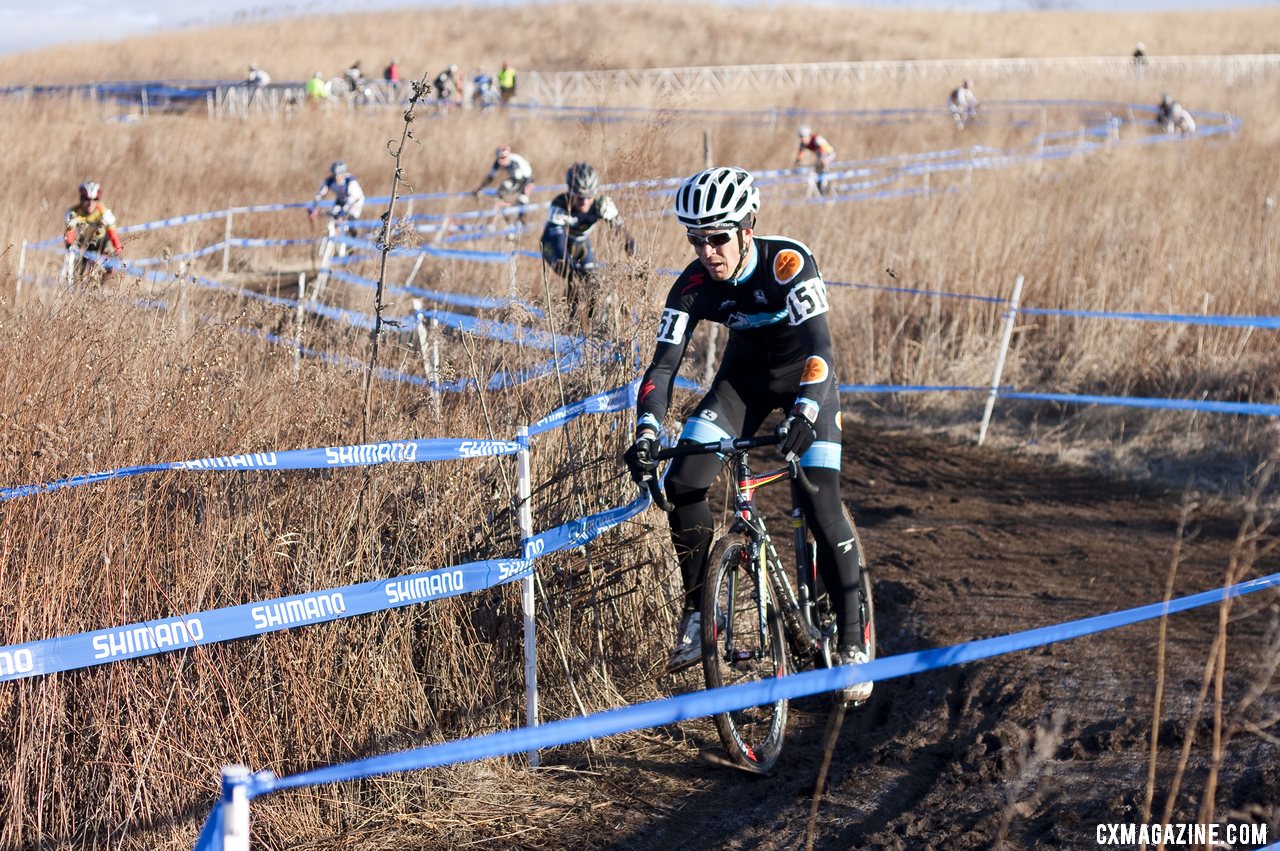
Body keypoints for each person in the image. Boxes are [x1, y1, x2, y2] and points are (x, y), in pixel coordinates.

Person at [622, 165, 872, 702]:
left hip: (807, 381)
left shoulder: (788, 263)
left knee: (818, 495)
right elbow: (662, 369)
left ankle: (852, 643)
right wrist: (646, 430)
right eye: (695, 238)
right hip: (742, 385)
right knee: (684, 480)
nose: (707, 251)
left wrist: (804, 413)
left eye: (717, 237)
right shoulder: (691, 286)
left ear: (746, 228)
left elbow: (821, 348)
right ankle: (696, 615)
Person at [540, 162, 635, 317]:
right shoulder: (560, 204)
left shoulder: (602, 204)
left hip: (580, 242)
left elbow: (624, 235)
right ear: (570, 191)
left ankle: (591, 321)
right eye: (579, 196)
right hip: (554, 244)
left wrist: (637, 260)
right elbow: (558, 244)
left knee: (594, 280)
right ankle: (567, 319)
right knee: (573, 276)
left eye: (589, 196)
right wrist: (572, 269)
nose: (584, 201)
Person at [64, 181, 123, 278]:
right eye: (86, 199)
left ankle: (102, 287)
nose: (90, 203)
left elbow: (113, 236)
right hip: (83, 243)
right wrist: (70, 247)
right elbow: (69, 235)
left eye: (94, 199)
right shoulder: (73, 213)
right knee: (78, 270)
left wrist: (118, 251)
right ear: (81, 199)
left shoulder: (104, 212)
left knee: (110, 268)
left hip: (101, 244)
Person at [473, 144, 534, 222]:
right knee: (503, 190)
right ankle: (507, 211)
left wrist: (516, 194)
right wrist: (480, 187)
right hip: (517, 179)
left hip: (526, 178)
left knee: (521, 197)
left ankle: (519, 217)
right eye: (498, 158)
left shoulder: (514, 162)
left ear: (508, 156)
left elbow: (522, 180)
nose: (500, 161)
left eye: (503, 158)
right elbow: (490, 177)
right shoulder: (498, 162)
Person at [308, 161, 366, 240]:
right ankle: (334, 238)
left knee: (349, 218)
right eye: (335, 174)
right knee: (333, 219)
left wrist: (344, 212)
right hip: (341, 201)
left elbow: (354, 198)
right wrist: (314, 205)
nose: (336, 177)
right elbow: (320, 194)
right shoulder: (330, 181)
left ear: (343, 173)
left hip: (356, 201)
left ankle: (354, 237)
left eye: (339, 174)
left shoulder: (350, 181)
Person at [794, 125, 835, 196]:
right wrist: (798, 161)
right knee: (815, 171)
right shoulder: (802, 144)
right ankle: (819, 186)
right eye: (801, 137)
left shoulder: (817, 139)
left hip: (828, 154)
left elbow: (824, 148)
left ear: (808, 135)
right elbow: (800, 153)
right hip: (819, 155)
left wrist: (824, 159)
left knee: (823, 169)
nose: (802, 139)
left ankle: (826, 187)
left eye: (804, 136)